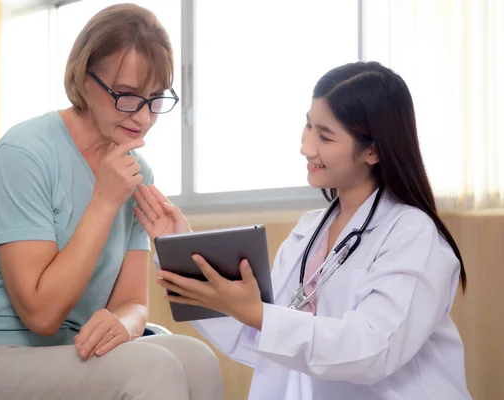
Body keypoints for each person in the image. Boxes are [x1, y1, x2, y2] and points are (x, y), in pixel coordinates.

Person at [0, 4, 222, 400]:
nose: (144, 118)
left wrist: (123, 325)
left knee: (197, 358)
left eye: (156, 98)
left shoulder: (137, 173)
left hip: (65, 355)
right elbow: (41, 314)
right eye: (127, 96)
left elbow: (132, 302)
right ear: (83, 76)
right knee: (151, 368)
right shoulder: (24, 152)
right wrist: (105, 200)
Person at [133, 61, 472, 399]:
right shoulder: (308, 233)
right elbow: (261, 340)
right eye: (309, 126)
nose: (306, 147)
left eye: (325, 136)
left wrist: (260, 315)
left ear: (373, 150)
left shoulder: (413, 235)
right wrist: (180, 250)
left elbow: (374, 349)